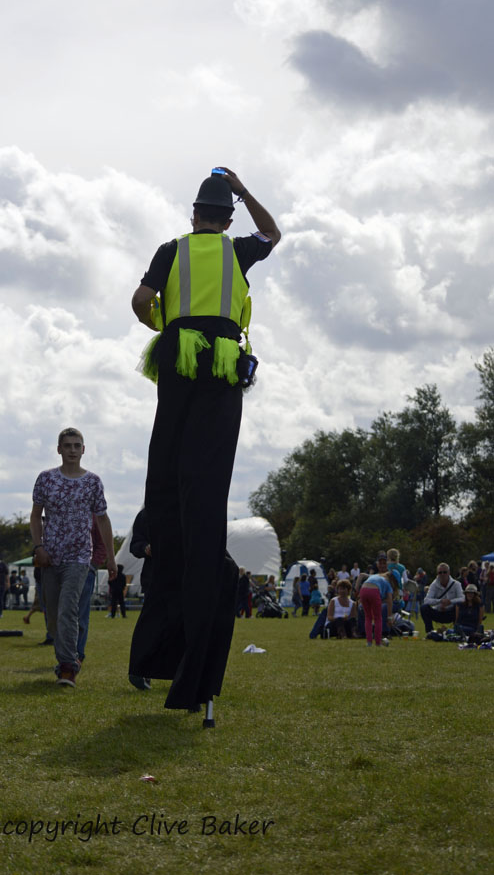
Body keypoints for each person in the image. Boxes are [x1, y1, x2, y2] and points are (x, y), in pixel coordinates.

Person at [128, 167, 281, 713]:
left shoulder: (172, 250)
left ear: (194, 214)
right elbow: (274, 234)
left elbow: (140, 300)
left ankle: (161, 573)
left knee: (167, 471)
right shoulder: (239, 249)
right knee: (206, 483)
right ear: (228, 215)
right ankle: (199, 569)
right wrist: (244, 187)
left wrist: (166, 331)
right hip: (220, 363)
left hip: (179, 357)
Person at [30, 427, 117, 687]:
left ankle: (68, 666)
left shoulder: (92, 481)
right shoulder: (46, 479)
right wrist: (38, 547)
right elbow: (36, 516)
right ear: (59, 449)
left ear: (83, 449)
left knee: (68, 609)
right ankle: (67, 657)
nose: (72, 450)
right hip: (50, 555)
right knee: (53, 615)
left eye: (76, 445)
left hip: (80, 557)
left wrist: (110, 558)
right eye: (67, 445)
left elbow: (102, 519)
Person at [77, 515, 107, 661]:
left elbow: (102, 544)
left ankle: (78, 654)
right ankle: (66, 654)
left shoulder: (94, 516)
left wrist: (92, 566)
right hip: (62, 567)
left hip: (85, 570)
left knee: (81, 616)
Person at [359, 569, 401, 647]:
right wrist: (389, 618)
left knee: (368, 617)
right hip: (374, 591)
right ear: (394, 580)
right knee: (378, 618)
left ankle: (369, 642)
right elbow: (389, 601)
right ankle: (378, 643)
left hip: (363, 590)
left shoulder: (376, 576)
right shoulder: (388, 583)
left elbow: (380, 599)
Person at [420, 563, 465, 634]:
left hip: (452, 612)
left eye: (445, 572)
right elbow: (426, 600)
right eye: (440, 572)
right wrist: (440, 601)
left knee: (460, 605)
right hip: (438, 612)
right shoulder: (434, 585)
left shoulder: (456, 584)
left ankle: (458, 630)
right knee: (424, 607)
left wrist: (450, 602)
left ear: (449, 573)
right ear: (437, 574)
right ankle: (430, 632)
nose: (442, 574)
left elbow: (462, 599)